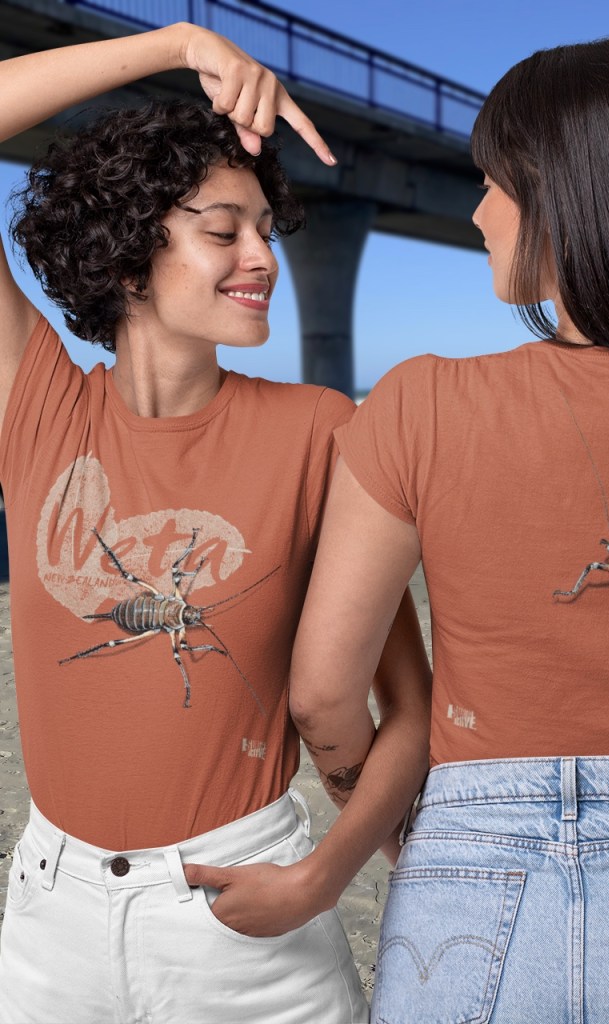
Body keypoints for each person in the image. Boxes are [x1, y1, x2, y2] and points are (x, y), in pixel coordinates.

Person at [289, 37, 609, 1023]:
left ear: (557, 194)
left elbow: (323, 694)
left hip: (473, 838)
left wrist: (412, 826)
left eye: (492, 183)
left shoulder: (418, 403)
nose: (476, 212)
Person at [0, 22, 431, 1024]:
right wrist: (179, 42)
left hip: (247, 917)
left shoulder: (321, 430)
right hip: (50, 921)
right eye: (224, 230)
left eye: (268, 230)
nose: (263, 258)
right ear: (128, 257)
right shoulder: (37, 405)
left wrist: (326, 875)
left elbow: (408, 706)